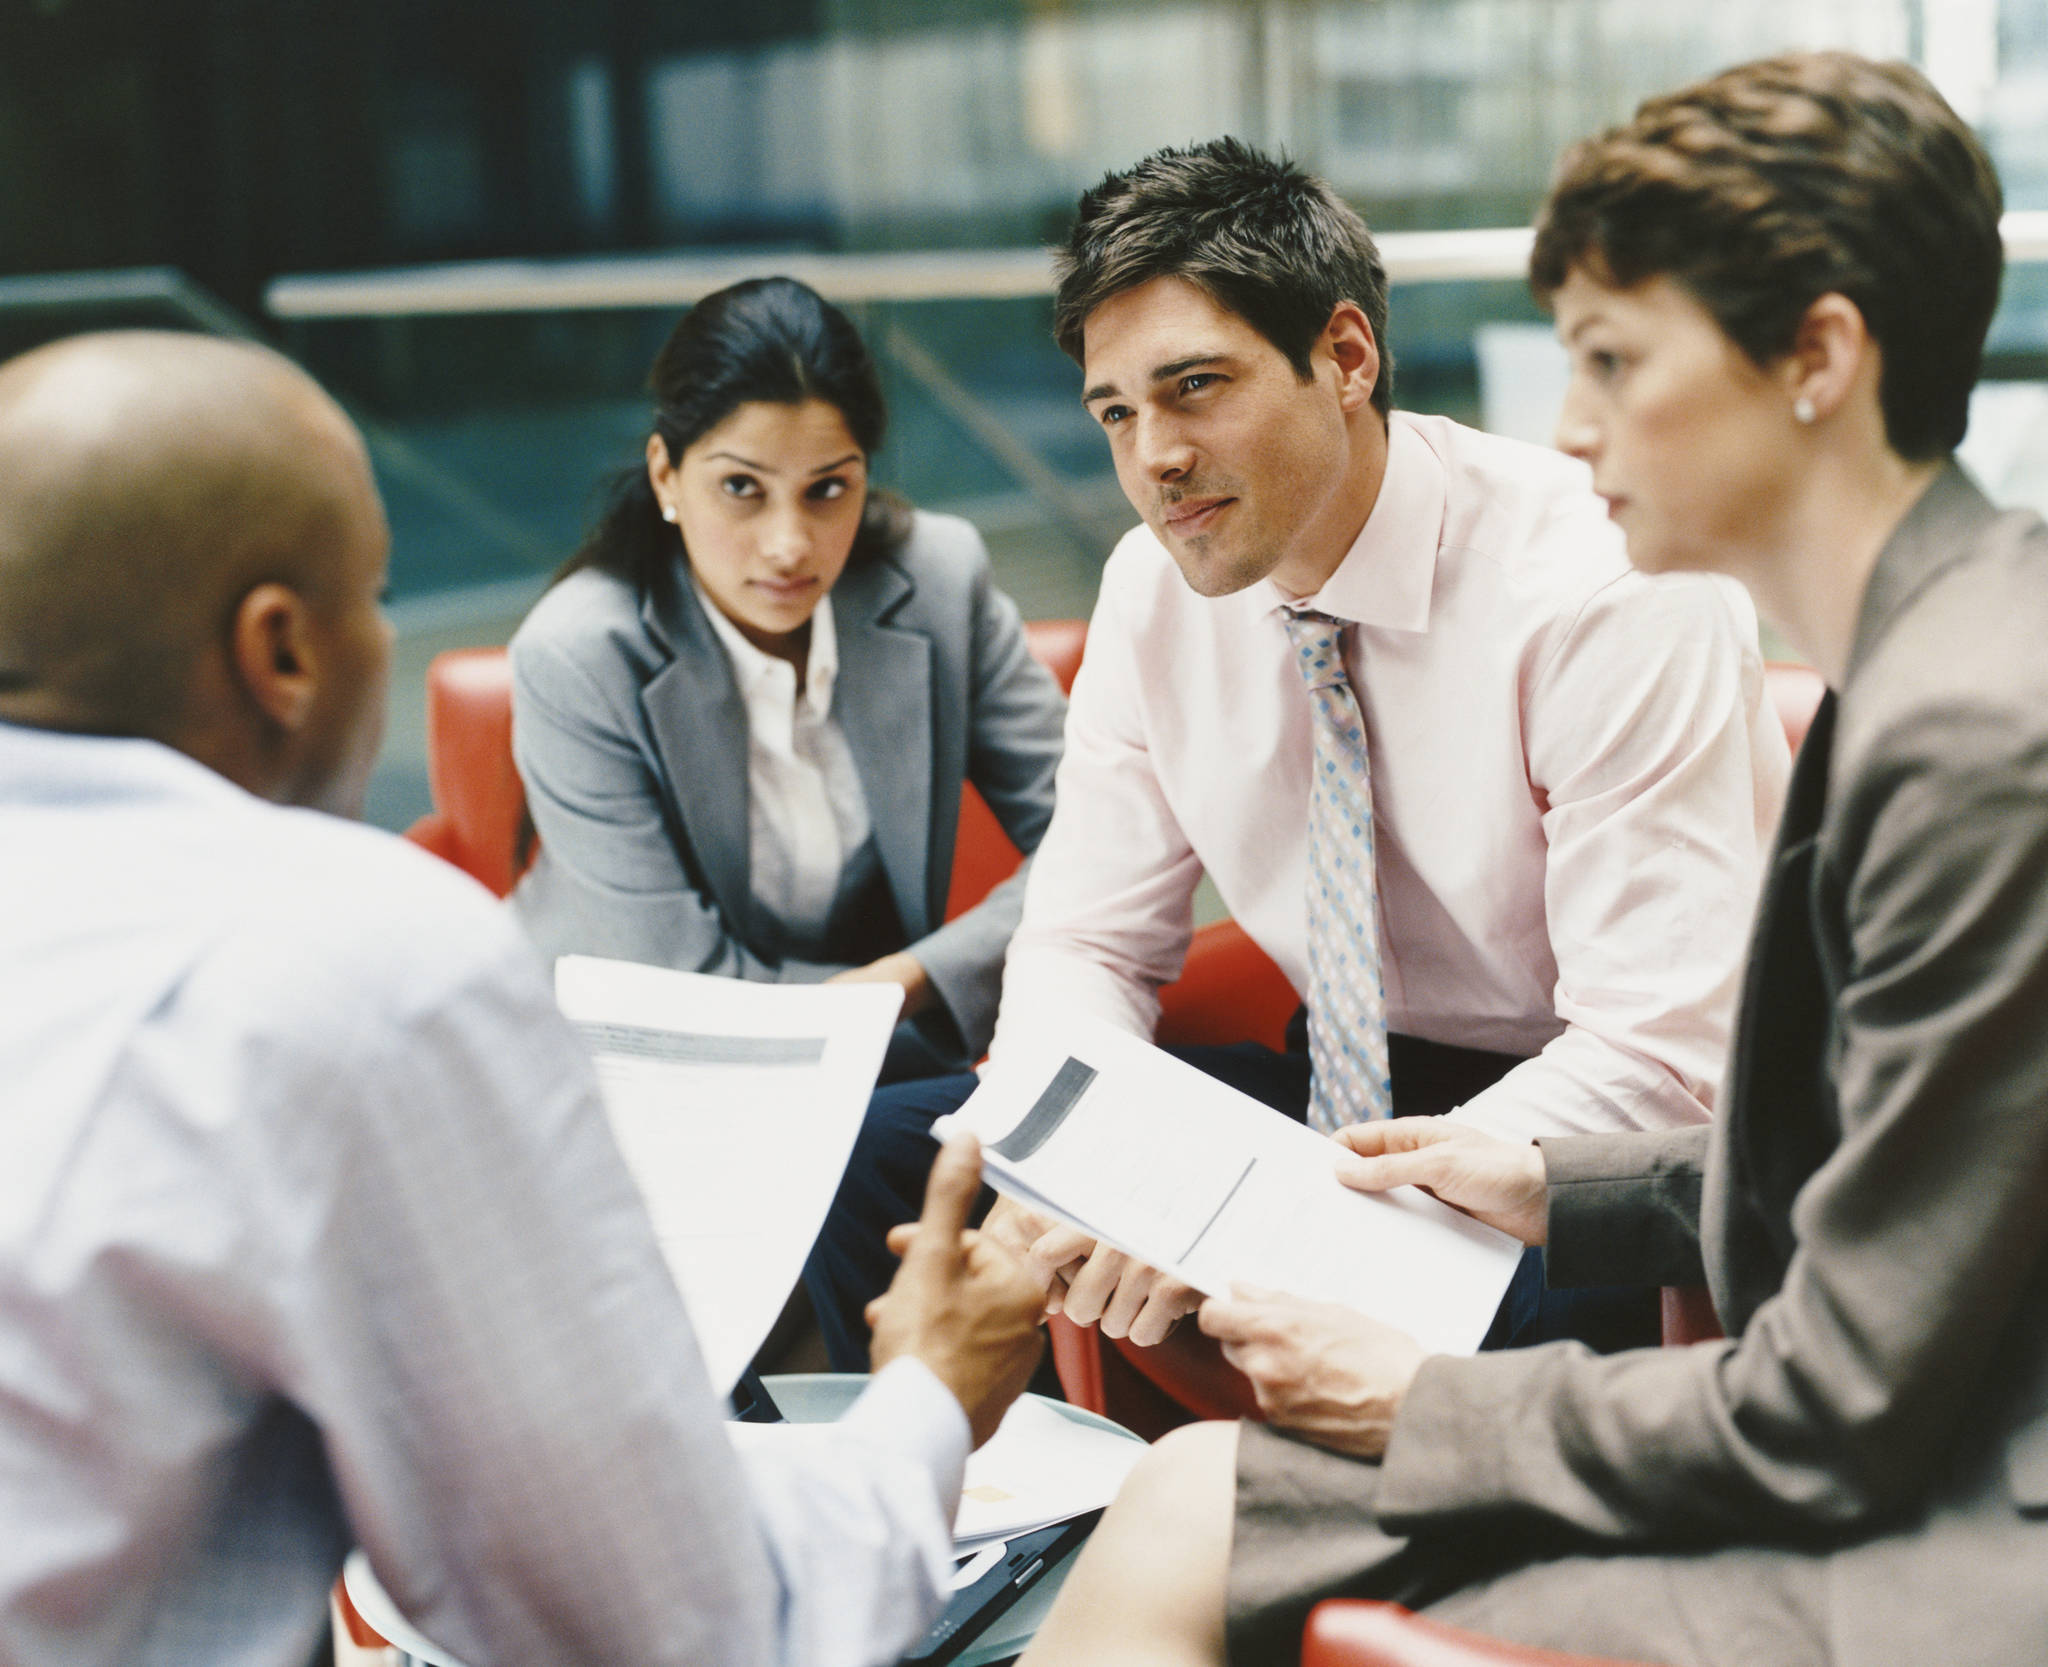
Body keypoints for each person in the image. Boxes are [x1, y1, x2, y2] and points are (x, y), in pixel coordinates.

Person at [1020, 50, 2047, 1667]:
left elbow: (1834, 1409)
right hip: (1866, 1414)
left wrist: (1428, 1403)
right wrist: (1554, 1184)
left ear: (1815, 359)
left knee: (1196, 1527)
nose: (1564, 425)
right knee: (1185, 1505)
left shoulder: (1974, 732)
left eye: (1610, 360)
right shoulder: (1938, 654)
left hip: (1956, 1516)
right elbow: (1905, 1176)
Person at [0, 328, 1047, 1667]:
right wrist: (930, 1399)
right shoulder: (350, 953)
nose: (788, 537)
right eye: (374, 597)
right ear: (283, 651)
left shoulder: (935, 580)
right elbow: (672, 1622)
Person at [813, 137, 1789, 1366]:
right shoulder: (1150, 593)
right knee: (875, 1159)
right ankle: (976, 1525)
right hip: (1342, 1082)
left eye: (1194, 388)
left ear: (1343, 355)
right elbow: (1087, 943)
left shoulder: (1603, 586)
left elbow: (1657, 1059)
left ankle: (1266, 1533)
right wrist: (1068, 1166)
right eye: (1116, 411)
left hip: (1583, 1133)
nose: (1150, 457)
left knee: (1469, 1317)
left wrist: (1273, 1218)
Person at [508, 276, 1067, 1085]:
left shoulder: (939, 581)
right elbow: (682, 986)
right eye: (742, 488)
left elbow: (1097, 840)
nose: (789, 544)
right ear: (666, 475)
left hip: (871, 1057)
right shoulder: (578, 654)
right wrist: (897, 1012)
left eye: (827, 489)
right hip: (617, 1071)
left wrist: (905, 979)